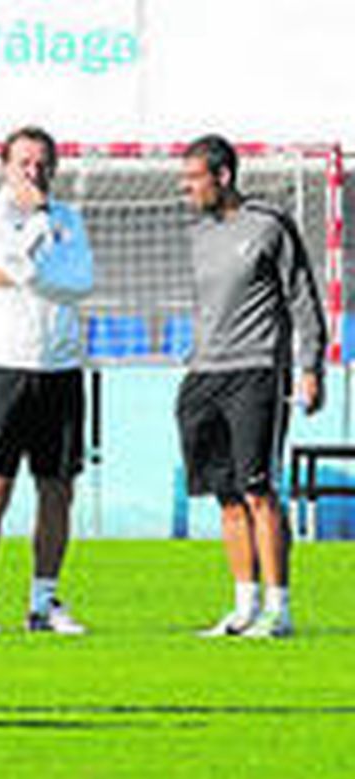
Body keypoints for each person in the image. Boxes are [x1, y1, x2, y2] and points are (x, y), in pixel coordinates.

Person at [177, 134, 327, 638]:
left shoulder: (269, 225)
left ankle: (278, 611)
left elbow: (302, 298)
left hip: (257, 372)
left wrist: (310, 367)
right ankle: (243, 609)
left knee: (258, 490)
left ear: (222, 176)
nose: (186, 187)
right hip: (204, 375)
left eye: (194, 177)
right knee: (225, 495)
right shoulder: (198, 234)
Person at [0, 125, 95, 635]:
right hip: (2, 365)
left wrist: (27, 272)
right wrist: (36, 243)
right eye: (24, 163)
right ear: (6, 167)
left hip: (59, 368)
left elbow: (81, 283)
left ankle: (44, 602)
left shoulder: (69, 219)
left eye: (42, 164)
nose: (34, 172)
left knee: (58, 489)